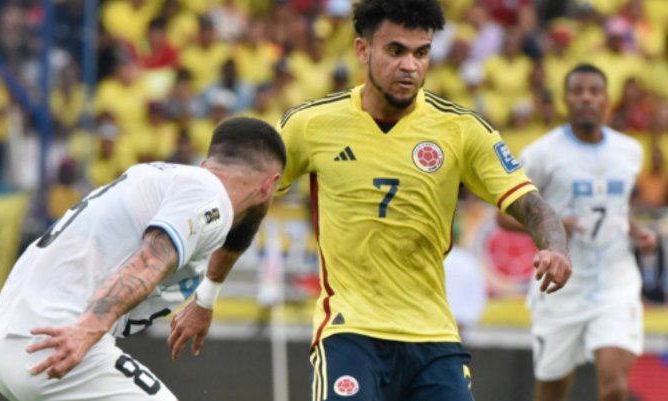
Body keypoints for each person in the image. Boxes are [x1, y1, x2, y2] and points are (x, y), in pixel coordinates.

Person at [169, 1, 568, 399]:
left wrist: (556, 248)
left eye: (421, 53)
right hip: (349, 331)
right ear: (363, 50)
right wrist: (206, 295)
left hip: (433, 336)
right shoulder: (312, 125)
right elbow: (251, 202)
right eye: (396, 51)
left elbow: (531, 204)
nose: (410, 65)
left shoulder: (462, 130)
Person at [0, 117, 286, 401]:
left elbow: (236, 233)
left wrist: (205, 301)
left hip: (6, 339)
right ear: (269, 185)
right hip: (59, 339)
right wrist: (87, 329)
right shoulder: (207, 197)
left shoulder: (165, 179)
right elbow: (148, 261)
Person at [496, 64, 657, 401]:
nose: (586, 97)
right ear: (566, 99)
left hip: (616, 282)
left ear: (606, 99)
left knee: (615, 387)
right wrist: (550, 224)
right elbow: (504, 216)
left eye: (594, 91)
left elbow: (616, 206)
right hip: (559, 288)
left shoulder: (629, 151)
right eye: (578, 91)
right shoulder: (541, 153)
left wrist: (637, 230)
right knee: (552, 390)